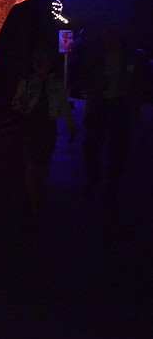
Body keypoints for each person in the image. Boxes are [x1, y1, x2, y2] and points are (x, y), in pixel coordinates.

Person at [79, 22, 145, 199]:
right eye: (107, 32)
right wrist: (95, 87)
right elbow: (84, 77)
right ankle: (94, 179)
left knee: (118, 148)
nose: (110, 37)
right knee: (91, 145)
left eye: (114, 32)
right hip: (99, 104)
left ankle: (112, 186)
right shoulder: (96, 56)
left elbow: (138, 82)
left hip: (120, 106)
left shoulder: (130, 56)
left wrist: (133, 103)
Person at [12, 47, 76, 216]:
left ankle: (37, 194)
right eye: (37, 62)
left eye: (44, 62)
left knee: (43, 164)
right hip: (31, 126)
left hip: (48, 128)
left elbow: (64, 106)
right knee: (32, 164)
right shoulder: (26, 83)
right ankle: (33, 201)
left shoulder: (55, 84)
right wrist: (22, 103)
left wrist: (71, 127)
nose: (41, 66)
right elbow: (16, 104)